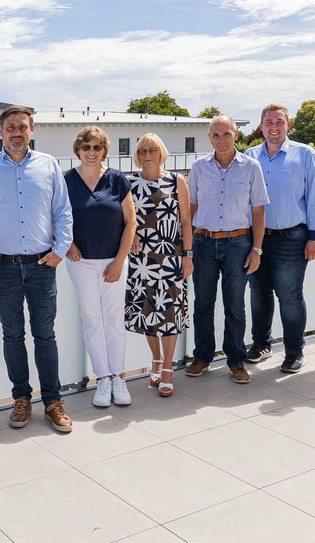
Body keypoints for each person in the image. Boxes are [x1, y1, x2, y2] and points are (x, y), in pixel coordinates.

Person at [0, 105, 75, 433]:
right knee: (12, 334)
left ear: (31, 131)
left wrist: (60, 251)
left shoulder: (48, 166)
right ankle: (21, 398)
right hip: (2, 267)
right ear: (1, 132)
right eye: (10, 127)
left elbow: (63, 212)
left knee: (45, 334)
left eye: (22, 127)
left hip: (42, 265)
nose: (17, 133)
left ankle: (53, 402)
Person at [243, 104, 315, 373]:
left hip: (291, 237)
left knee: (290, 296)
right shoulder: (250, 156)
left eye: (279, 121)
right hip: (255, 239)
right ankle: (261, 344)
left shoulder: (305, 154)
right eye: (268, 122)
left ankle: (294, 351)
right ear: (261, 126)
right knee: (258, 293)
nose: (274, 126)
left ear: (288, 124)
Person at [185, 115, 269, 384]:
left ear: (236, 135)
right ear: (209, 137)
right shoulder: (198, 168)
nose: (221, 139)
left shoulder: (251, 167)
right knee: (203, 304)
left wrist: (257, 249)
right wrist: (184, 244)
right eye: (216, 135)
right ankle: (202, 357)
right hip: (204, 243)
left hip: (237, 243)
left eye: (227, 134)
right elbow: (191, 208)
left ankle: (235, 360)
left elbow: (258, 211)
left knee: (235, 305)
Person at [64, 126, 136, 407]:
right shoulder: (67, 180)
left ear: (104, 150)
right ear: (78, 150)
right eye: (86, 147)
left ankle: (119, 377)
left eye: (96, 147)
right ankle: (103, 379)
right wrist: (67, 243)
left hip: (113, 261)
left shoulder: (117, 179)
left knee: (114, 320)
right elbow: (57, 217)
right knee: (92, 320)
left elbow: (131, 222)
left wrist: (120, 261)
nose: (91, 152)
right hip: (81, 263)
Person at [125, 133, 193, 397]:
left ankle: (167, 368)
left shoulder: (177, 181)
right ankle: (155, 359)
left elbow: (186, 221)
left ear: (161, 152)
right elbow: (125, 220)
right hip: (142, 259)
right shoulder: (129, 183)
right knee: (148, 310)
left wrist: (187, 255)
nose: (147, 155)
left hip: (171, 257)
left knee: (170, 312)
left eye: (152, 149)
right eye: (142, 151)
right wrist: (128, 239)